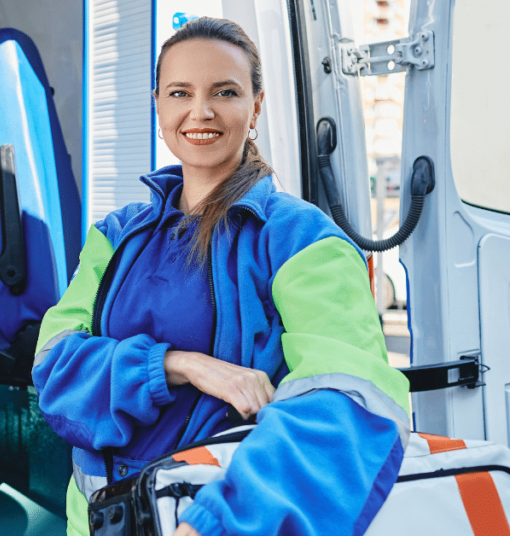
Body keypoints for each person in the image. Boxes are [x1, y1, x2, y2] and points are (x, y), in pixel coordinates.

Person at [32, 17, 410, 536]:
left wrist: (219, 524)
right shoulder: (114, 235)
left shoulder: (300, 239)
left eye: (224, 92)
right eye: (180, 92)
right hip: (95, 522)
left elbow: (344, 404)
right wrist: (180, 366)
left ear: (255, 106)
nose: (200, 111)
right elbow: (56, 369)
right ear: (159, 106)